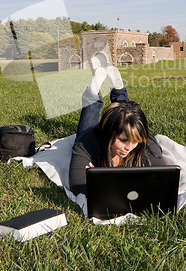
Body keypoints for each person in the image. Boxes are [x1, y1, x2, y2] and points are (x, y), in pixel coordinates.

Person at [69, 66, 166, 196]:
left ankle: (120, 91)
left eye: (135, 141)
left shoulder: (145, 144)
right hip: (96, 134)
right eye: (123, 140)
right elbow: (77, 186)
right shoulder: (86, 143)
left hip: (124, 124)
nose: (129, 147)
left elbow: (163, 180)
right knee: (90, 113)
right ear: (108, 133)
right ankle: (91, 95)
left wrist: (100, 179)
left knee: (127, 113)